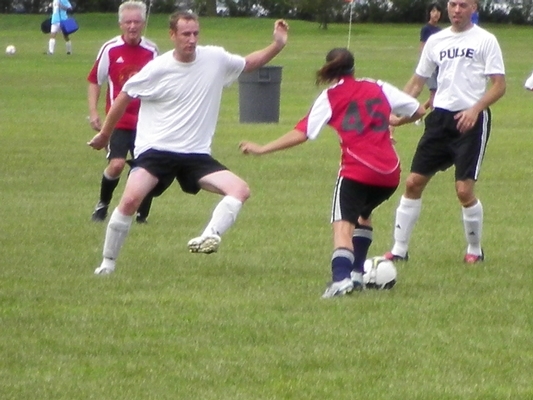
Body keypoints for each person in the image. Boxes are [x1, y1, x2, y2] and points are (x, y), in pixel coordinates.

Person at [88, 11, 289, 275]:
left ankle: (209, 236)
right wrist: (105, 134)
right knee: (129, 201)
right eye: (185, 34)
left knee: (240, 190)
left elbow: (248, 63)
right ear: (172, 35)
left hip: (196, 155)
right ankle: (107, 264)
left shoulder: (214, 58)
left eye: (195, 33)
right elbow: (124, 96)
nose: (191, 39)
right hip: (156, 151)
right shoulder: (158, 68)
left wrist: (277, 45)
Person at [239, 48, 425, 298]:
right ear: (353, 67)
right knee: (363, 214)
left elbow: (303, 133)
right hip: (390, 173)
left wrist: (263, 148)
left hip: (357, 171)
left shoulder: (329, 96)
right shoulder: (376, 85)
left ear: (329, 70)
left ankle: (340, 280)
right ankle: (358, 275)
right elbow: (418, 110)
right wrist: (394, 121)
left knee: (342, 227)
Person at [384, 0, 506, 264]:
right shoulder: (436, 41)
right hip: (439, 120)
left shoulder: (486, 40)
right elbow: (418, 81)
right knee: (413, 183)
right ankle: (399, 250)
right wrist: (395, 112)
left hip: (471, 121)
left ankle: (474, 250)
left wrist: (475, 109)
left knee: (463, 191)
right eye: (453, 4)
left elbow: (499, 86)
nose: (456, 10)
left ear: (474, 7)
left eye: (463, 5)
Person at [87, 1, 159, 224]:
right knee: (117, 164)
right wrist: (94, 112)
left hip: (146, 122)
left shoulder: (152, 51)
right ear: (120, 24)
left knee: (145, 168)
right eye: (128, 22)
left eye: (137, 22)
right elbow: (94, 81)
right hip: (117, 121)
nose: (132, 26)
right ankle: (102, 205)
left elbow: (161, 83)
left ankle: (141, 215)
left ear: (143, 23)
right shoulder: (110, 49)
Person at [419, 2, 442, 112]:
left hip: (439, 64)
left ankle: (422, 110)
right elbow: (423, 47)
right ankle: (434, 112)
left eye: (438, 11)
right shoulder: (426, 29)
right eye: (433, 11)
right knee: (434, 90)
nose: (436, 14)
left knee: (439, 89)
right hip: (430, 64)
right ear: (429, 13)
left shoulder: (440, 30)